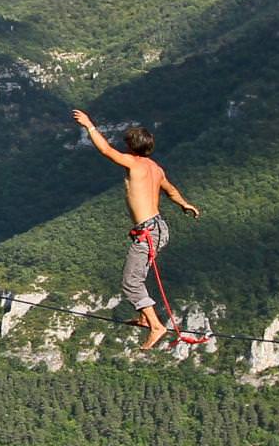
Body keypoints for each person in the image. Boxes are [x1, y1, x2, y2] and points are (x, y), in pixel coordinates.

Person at [72, 109, 199, 349]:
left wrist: (89, 125)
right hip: (158, 228)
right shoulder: (156, 169)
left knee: (131, 283)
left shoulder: (133, 163)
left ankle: (156, 326)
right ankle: (143, 317)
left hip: (147, 232)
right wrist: (184, 204)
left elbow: (106, 150)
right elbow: (170, 190)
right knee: (138, 277)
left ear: (131, 147)